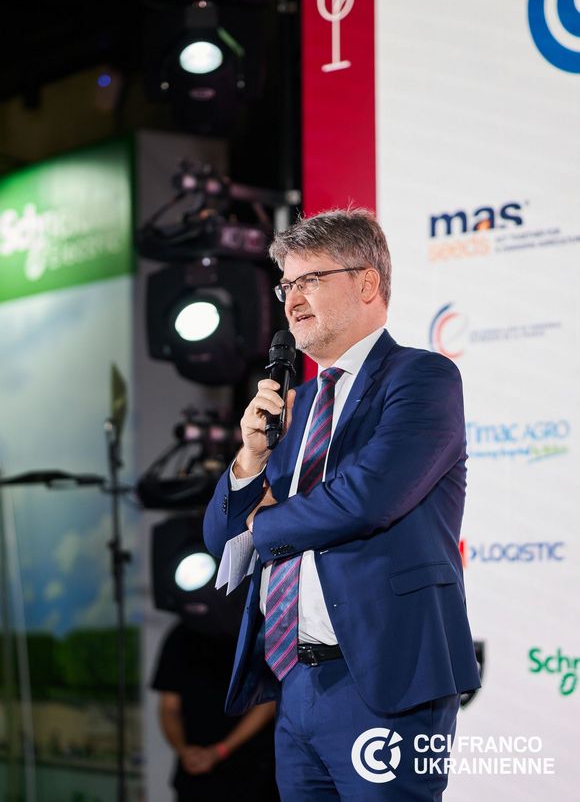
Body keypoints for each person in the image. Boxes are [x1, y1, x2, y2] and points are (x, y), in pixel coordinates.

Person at [203, 208, 481, 800]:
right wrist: (249, 459)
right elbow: (223, 541)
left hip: (386, 678)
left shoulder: (422, 378)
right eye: (286, 285)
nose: (292, 299)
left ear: (367, 283)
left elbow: (366, 499)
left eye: (311, 279)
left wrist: (263, 522)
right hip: (293, 681)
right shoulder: (296, 404)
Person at [151, 619, 278, 801]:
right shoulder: (181, 634)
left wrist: (220, 750)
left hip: (254, 770)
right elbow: (169, 708)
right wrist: (184, 750)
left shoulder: (257, 632)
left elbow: (268, 702)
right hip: (195, 772)